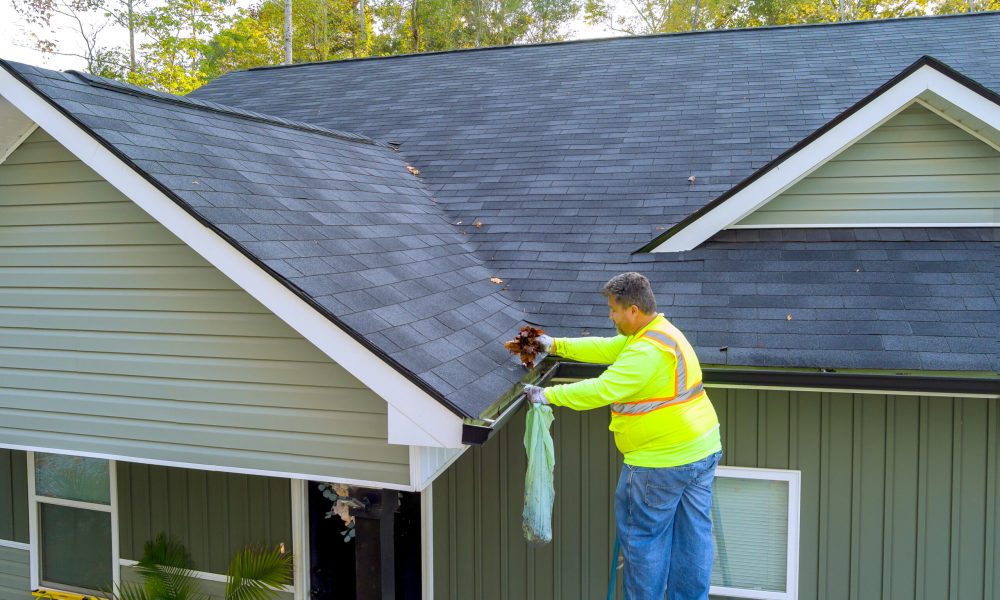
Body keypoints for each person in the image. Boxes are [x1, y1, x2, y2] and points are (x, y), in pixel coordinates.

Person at [523, 271, 722, 600]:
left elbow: (603, 389)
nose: (610, 316)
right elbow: (606, 348)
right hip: (702, 449)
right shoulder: (658, 333)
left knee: (646, 542)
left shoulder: (645, 353)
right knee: (694, 536)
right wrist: (555, 345)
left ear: (633, 310)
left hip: (660, 463)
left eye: (613, 310)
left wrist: (547, 396)